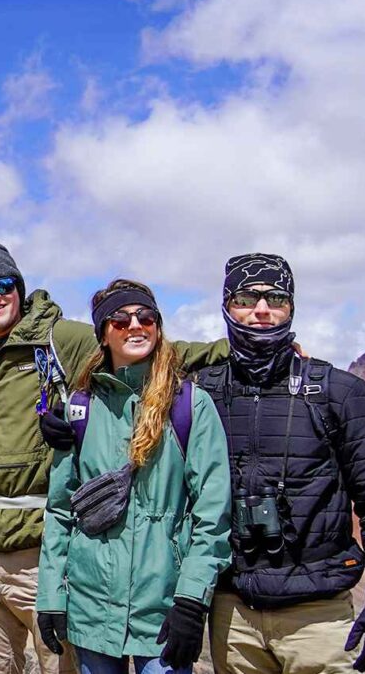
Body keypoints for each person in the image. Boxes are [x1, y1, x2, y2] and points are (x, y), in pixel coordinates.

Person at [0, 241, 228, 674]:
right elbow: (64, 506)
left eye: (2, 284)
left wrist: (245, 348)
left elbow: (165, 352)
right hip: (27, 569)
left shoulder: (61, 338)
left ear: (18, 288)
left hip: (125, 583)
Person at [195, 254, 365, 674]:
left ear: (291, 307)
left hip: (321, 620)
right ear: (226, 305)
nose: (261, 309)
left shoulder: (341, 393)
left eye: (275, 297)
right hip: (232, 618)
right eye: (246, 297)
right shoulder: (202, 393)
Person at [36, 279, 232, 674]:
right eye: (120, 320)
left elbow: (212, 514)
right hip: (90, 608)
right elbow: (60, 511)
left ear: (158, 328)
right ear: (103, 335)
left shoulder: (189, 405)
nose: (135, 326)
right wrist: (51, 596)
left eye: (146, 317)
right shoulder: (79, 408)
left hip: (163, 608)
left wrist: (193, 599)